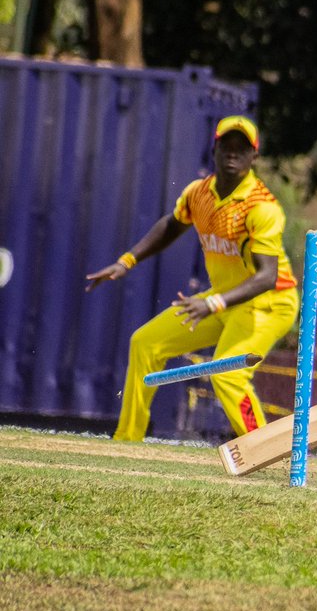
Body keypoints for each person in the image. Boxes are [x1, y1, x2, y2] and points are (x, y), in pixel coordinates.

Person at [85, 116, 299, 440]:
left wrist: (212, 302)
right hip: (224, 298)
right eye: (227, 144)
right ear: (214, 148)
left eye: (242, 147)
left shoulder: (261, 207)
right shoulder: (198, 193)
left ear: (254, 157)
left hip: (268, 303)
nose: (233, 152)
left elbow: (267, 277)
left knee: (227, 373)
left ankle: (263, 448)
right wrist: (126, 261)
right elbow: (172, 225)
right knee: (145, 343)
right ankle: (127, 439)